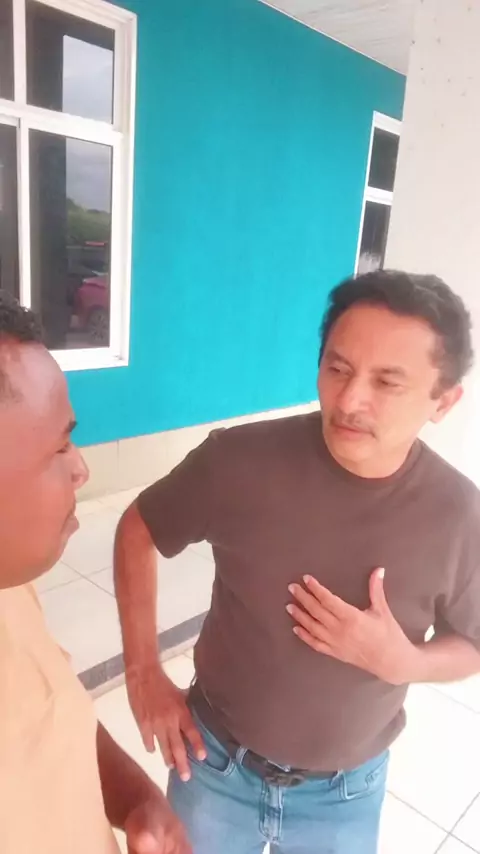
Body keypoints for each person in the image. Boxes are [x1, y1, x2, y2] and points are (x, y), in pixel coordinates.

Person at [114, 270, 480, 854]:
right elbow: (138, 529)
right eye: (338, 368)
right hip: (213, 765)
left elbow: (472, 643)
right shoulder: (239, 463)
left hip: (346, 794)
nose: (350, 401)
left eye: (387, 382)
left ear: (444, 401)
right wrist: (142, 671)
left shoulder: (459, 515)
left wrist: (405, 661)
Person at [0, 291, 190, 854]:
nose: (81, 468)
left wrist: (136, 799)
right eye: (60, 447)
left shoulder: (11, 585)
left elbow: (57, 712)